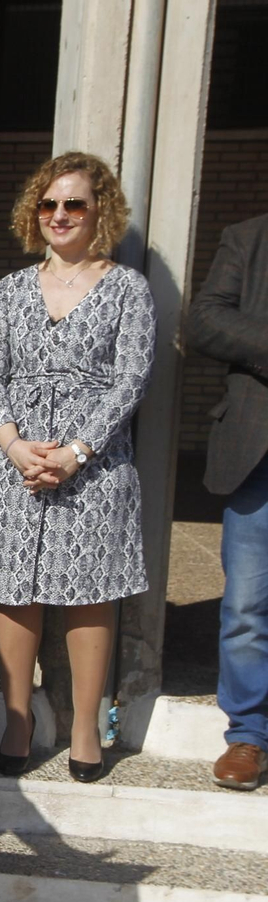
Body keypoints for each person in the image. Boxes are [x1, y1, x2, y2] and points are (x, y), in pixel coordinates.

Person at [0, 151, 155, 784]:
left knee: (88, 595)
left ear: (100, 210)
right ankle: (18, 718)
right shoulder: (11, 288)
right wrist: (15, 445)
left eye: (74, 203)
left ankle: (82, 727)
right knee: (13, 589)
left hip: (94, 468)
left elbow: (130, 381)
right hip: (14, 462)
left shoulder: (129, 289)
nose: (60, 214)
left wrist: (76, 451)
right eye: (49, 203)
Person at [187, 213, 268, 790]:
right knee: (246, 606)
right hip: (258, 447)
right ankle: (249, 736)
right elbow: (205, 320)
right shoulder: (250, 236)